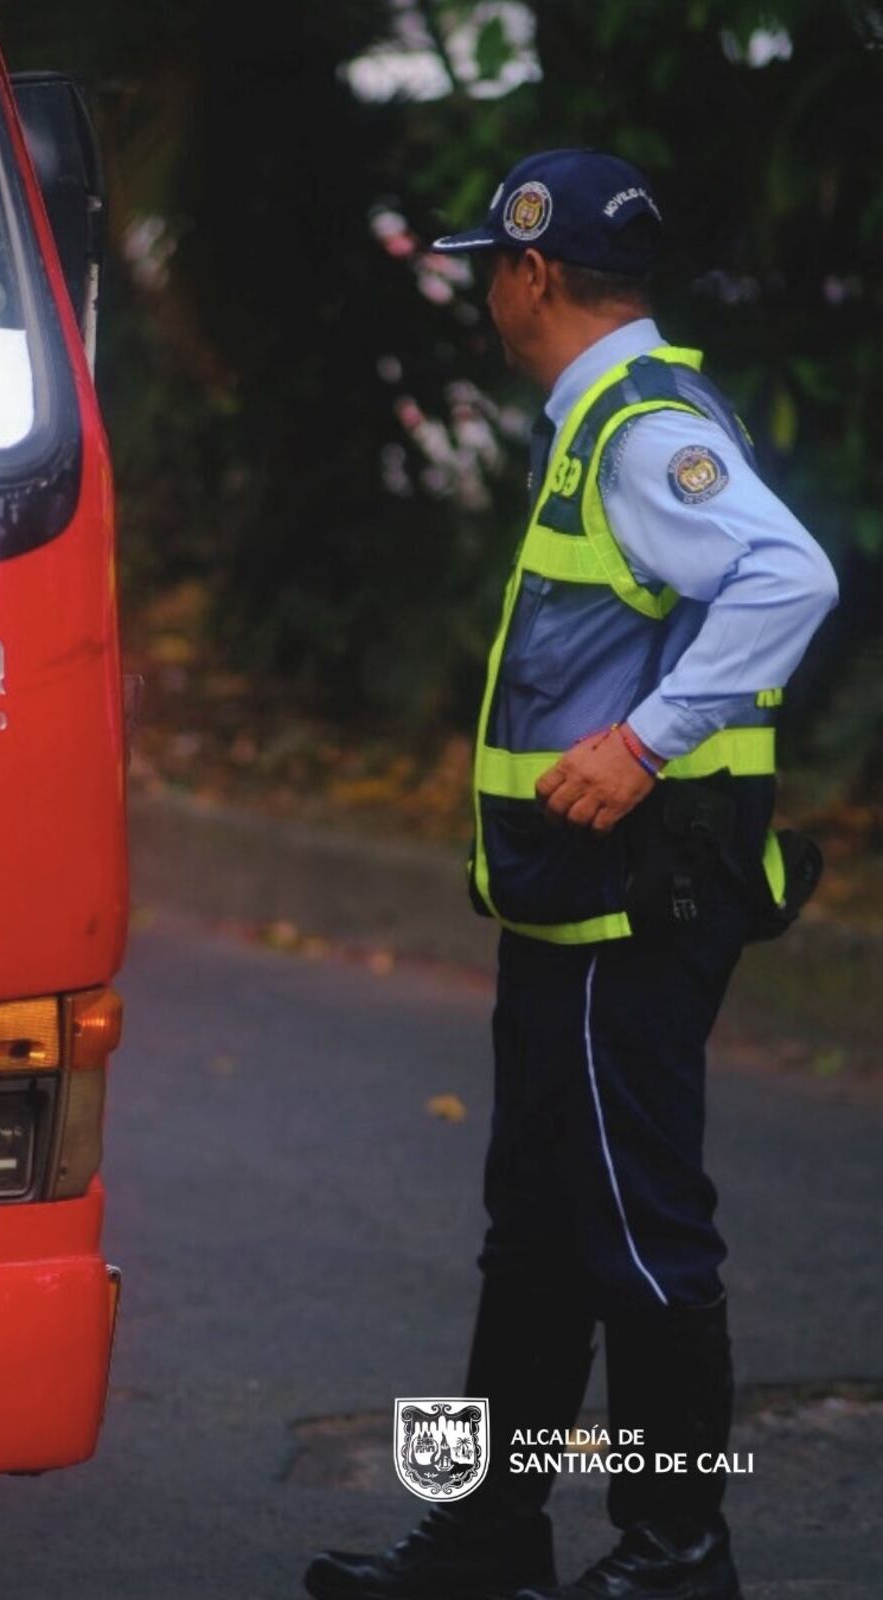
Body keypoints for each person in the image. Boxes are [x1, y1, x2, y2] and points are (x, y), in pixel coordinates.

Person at [303, 149, 839, 1600]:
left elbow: (794, 576)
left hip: (632, 896)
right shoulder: (604, 416)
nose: (490, 287)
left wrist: (647, 746)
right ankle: (483, 1532)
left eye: (494, 265)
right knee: (536, 1229)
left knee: (639, 1232)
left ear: (532, 274)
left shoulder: (642, 426)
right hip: (572, 894)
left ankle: (678, 1552)